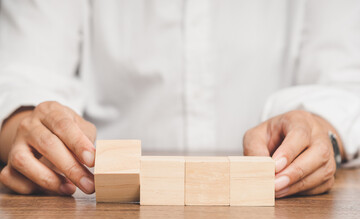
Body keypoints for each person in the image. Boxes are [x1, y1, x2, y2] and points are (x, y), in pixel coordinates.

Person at [0, 0, 359, 198]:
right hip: (96, 201)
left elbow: (346, 79)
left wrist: (322, 127)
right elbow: (24, 73)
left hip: (275, 207)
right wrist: (26, 125)